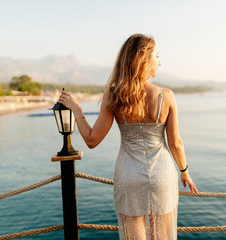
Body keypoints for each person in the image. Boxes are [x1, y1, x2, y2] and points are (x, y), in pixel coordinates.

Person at [58, 33, 198, 240]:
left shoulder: (114, 96)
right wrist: (184, 171)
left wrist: (77, 109)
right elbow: (175, 143)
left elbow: (91, 140)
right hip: (162, 174)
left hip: (128, 174)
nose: (159, 62)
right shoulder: (166, 96)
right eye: (157, 56)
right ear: (144, 59)